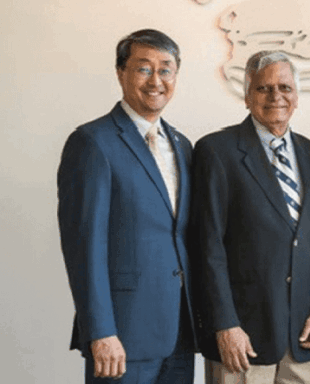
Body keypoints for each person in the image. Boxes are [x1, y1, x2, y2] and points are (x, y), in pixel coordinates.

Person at [57, 29, 195, 383]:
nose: (156, 80)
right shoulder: (92, 142)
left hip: (179, 332)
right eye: (143, 68)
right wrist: (100, 331)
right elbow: (83, 247)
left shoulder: (182, 146)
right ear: (121, 73)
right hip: (121, 337)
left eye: (166, 69)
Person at [190, 50, 310, 384]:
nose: (276, 96)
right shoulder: (216, 152)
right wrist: (224, 323)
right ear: (246, 96)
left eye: (284, 87)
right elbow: (207, 246)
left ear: (296, 97)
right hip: (243, 338)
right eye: (263, 88)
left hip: (304, 336)